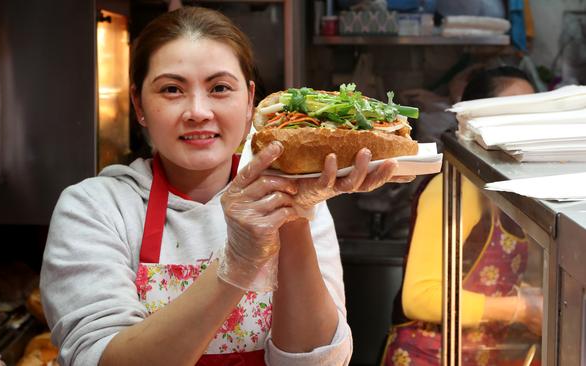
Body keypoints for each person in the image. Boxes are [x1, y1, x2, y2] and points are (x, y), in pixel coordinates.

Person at [41, 7, 404, 366]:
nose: (198, 111)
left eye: (219, 88)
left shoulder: (293, 197)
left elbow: (315, 362)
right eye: (171, 89)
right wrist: (238, 263)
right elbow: (101, 359)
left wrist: (293, 218)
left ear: (249, 100)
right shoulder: (95, 208)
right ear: (139, 105)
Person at [381, 66, 542, 366]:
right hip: (427, 356)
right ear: (476, 120)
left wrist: (523, 293)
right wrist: (520, 308)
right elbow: (418, 297)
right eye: (515, 112)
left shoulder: (498, 187)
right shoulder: (454, 186)